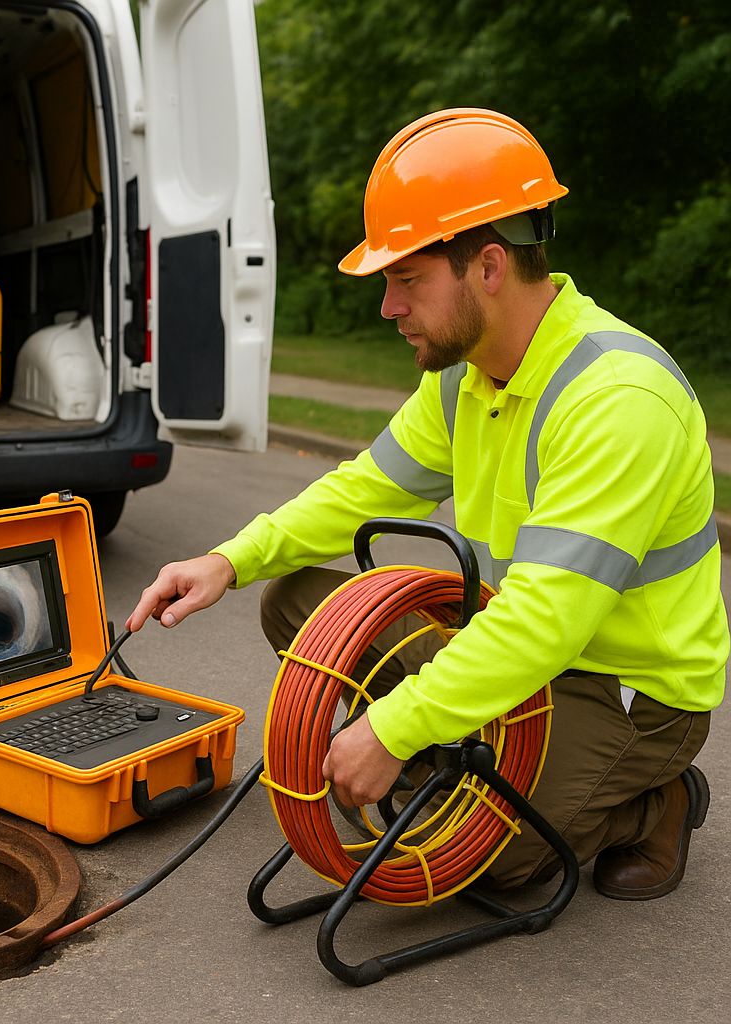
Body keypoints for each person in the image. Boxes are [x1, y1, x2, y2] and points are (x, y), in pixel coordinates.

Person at [126, 108, 728, 898]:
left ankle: (655, 801)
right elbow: (362, 488)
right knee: (298, 604)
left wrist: (393, 726)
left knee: (488, 862)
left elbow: (545, 622)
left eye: (407, 279)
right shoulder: (465, 375)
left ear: (488, 266)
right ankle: (461, 756)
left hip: (627, 692)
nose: (388, 307)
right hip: (518, 653)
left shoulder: (618, 400)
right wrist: (227, 561)